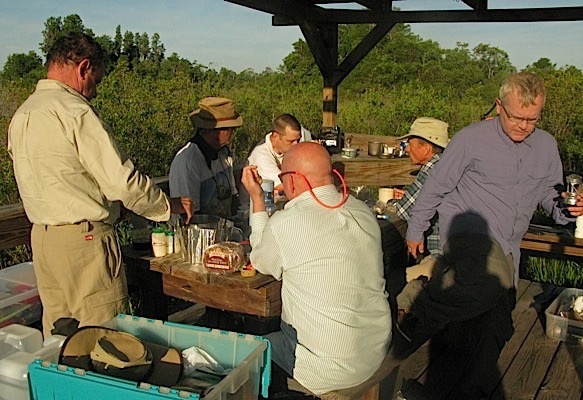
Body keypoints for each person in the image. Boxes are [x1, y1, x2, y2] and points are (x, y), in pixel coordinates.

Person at [398, 71, 583, 397]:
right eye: (517, 117)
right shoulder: (471, 139)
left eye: (533, 119)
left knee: (495, 328)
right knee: (491, 276)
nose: (525, 126)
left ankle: (465, 391)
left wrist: (571, 209)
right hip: (471, 235)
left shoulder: (545, 146)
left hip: (511, 247)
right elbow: (435, 187)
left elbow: (551, 201)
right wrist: (416, 230)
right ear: (499, 106)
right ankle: (418, 307)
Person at [7, 33, 191, 338]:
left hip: (43, 240)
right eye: (97, 80)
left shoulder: (23, 113)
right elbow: (122, 181)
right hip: (84, 241)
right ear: (83, 68)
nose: (94, 91)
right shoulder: (74, 110)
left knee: (59, 338)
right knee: (102, 337)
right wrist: (167, 205)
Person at [241, 142, 392, 396]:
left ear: (291, 180)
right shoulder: (362, 211)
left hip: (326, 369)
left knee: (245, 346)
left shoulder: (286, 224)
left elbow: (260, 260)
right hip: (375, 349)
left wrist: (257, 198)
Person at [393, 117, 449, 282]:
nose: (407, 149)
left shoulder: (432, 168)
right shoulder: (446, 164)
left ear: (426, 149)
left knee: (390, 280)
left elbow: (403, 211)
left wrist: (390, 203)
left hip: (441, 258)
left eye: (410, 144)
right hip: (456, 254)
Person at [169, 97, 242, 218]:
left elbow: (233, 198)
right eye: (230, 129)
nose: (232, 133)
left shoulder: (223, 155)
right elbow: (188, 214)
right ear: (217, 131)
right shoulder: (188, 161)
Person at [247, 113, 302, 192]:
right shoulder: (261, 156)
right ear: (275, 136)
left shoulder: (288, 150)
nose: (296, 144)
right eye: (291, 141)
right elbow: (286, 187)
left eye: (298, 140)